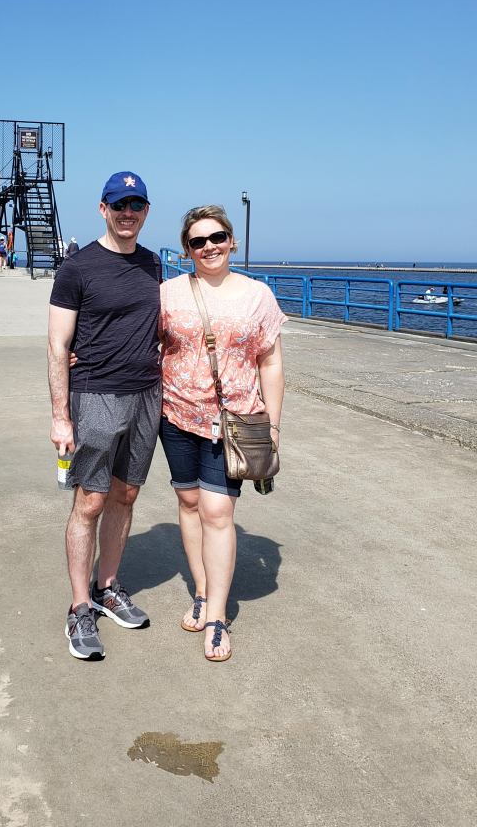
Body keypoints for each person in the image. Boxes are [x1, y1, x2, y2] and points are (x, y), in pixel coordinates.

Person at [159, 205, 286, 662]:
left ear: (231, 240)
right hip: (175, 414)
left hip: (233, 420)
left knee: (217, 511)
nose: (209, 247)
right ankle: (201, 589)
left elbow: (271, 361)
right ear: (187, 249)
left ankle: (216, 615)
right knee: (189, 502)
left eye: (217, 237)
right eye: (198, 241)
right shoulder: (168, 293)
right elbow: (142, 342)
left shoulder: (257, 295)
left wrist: (273, 424)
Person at [48, 172, 161, 661]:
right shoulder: (77, 268)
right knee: (90, 501)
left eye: (135, 205)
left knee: (126, 494)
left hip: (147, 393)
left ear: (146, 211)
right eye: (119, 205)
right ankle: (79, 607)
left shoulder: (154, 264)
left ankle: (107, 586)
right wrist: (60, 416)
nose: (127, 213)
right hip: (95, 394)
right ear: (103, 209)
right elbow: (57, 345)